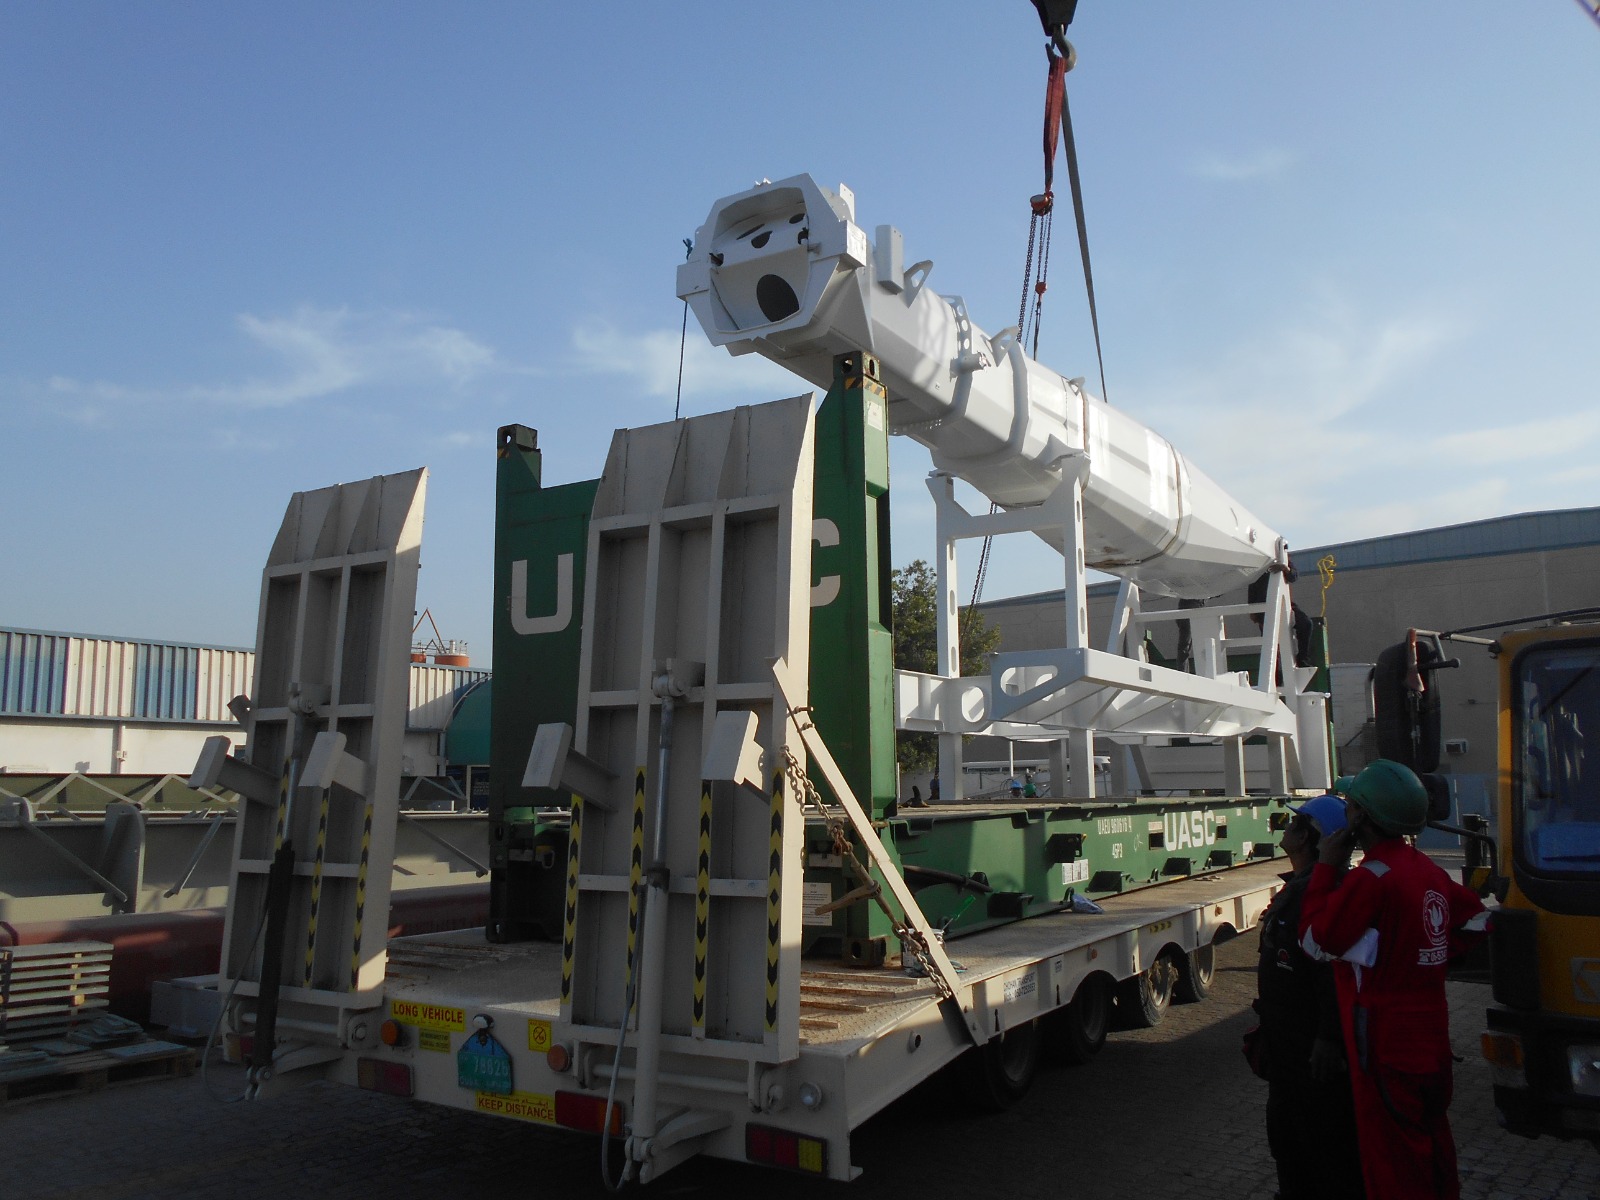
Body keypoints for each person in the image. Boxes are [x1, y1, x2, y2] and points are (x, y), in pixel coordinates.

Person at [1300, 760, 1489, 1200]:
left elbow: (1315, 943)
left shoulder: (1371, 879)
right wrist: (1427, 955)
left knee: (1394, 1161)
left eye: (1350, 805)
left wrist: (1326, 868)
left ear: (1361, 819)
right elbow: (1478, 921)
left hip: (1384, 1041)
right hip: (1431, 1035)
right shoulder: (1426, 869)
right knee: (1433, 1143)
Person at [1254, 794, 1364, 1200]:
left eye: (1294, 823)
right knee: (1293, 1143)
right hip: (1291, 1048)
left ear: (1306, 837)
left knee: (1312, 1147)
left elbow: (1332, 970)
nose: (1285, 828)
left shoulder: (1318, 894)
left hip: (1308, 1056)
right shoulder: (1304, 889)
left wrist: (1328, 1038)